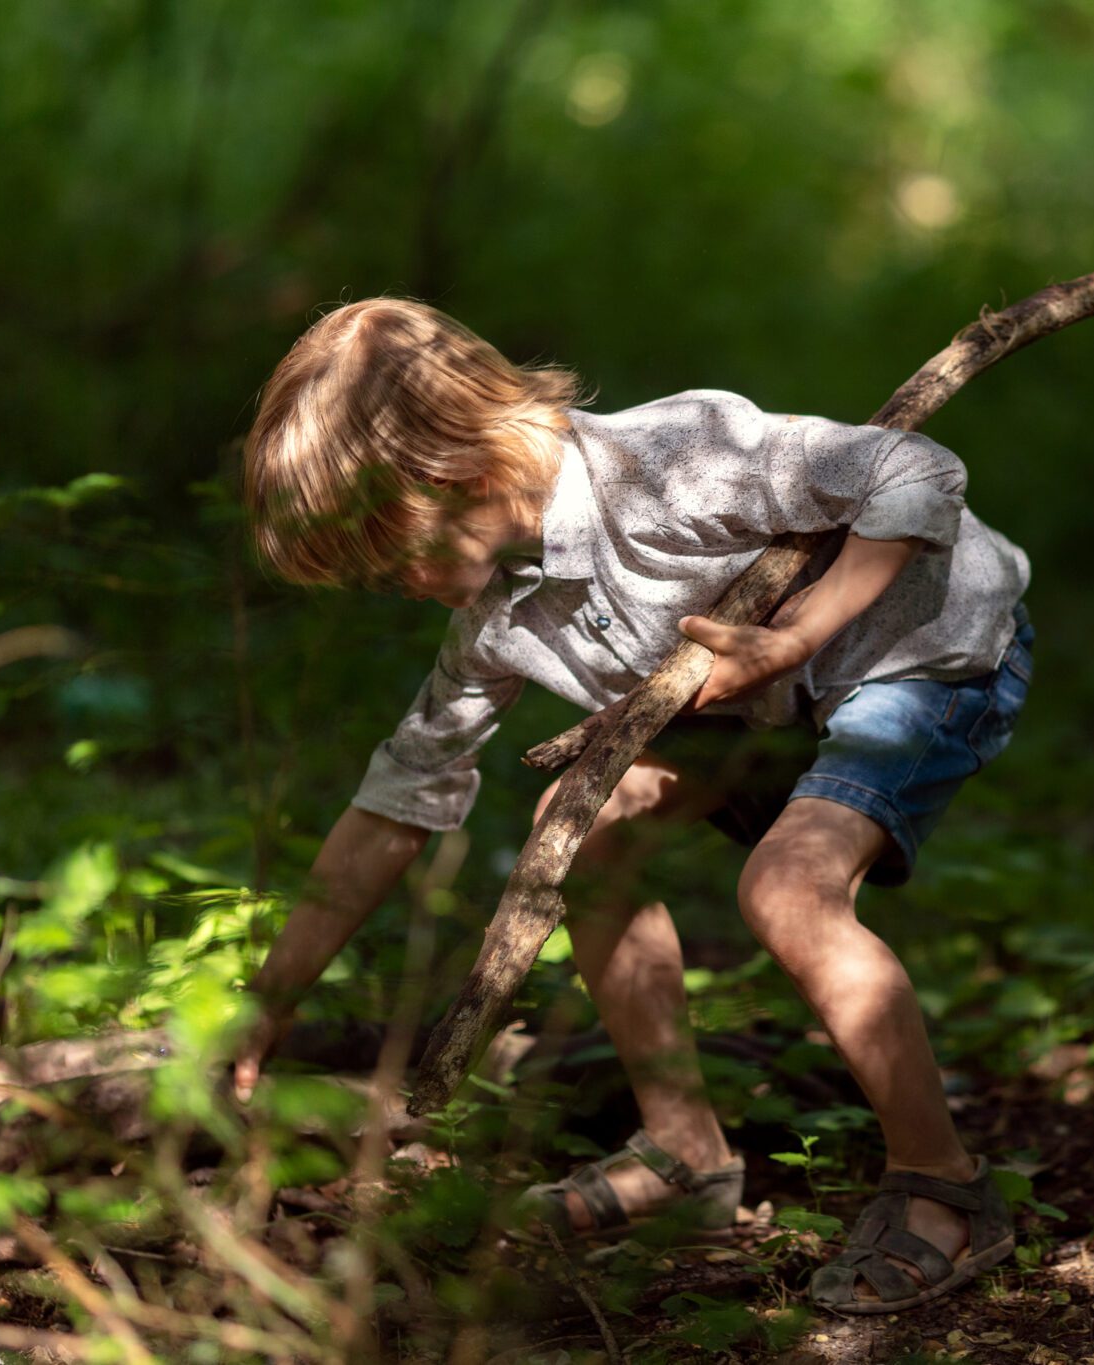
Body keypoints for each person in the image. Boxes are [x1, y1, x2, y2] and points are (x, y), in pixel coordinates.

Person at [234, 297, 1033, 1313]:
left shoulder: (669, 460)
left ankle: (944, 1191)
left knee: (788, 891)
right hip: (766, 708)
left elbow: (915, 472)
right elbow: (397, 803)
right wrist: (265, 1015)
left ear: (455, 472)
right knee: (576, 831)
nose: (388, 586)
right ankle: (682, 1158)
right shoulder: (495, 615)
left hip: (920, 654)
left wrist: (802, 631)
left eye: (391, 556)